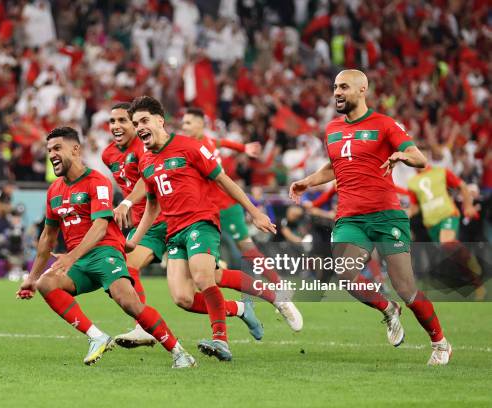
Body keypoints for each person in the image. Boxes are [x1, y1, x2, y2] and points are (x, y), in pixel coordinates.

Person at [289, 70, 452, 365]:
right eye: (335, 86)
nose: (337, 92)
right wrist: (308, 182)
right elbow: (333, 166)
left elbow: (420, 158)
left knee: (406, 288)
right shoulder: (332, 130)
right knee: (345, 273)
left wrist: (402, 156)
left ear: (362, 89)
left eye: (344, 87)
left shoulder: (385, 124)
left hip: (387, 216)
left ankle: (440, 343)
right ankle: (388, 309)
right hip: (350, 218)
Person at [16, 126, 196, 368]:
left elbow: (100, 226)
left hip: (104, 253)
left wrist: (70, 257)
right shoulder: (54, 190)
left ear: (76, 149)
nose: (52, 154)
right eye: (49, 150)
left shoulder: (97, 182)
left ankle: (180, 353)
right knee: (46, 283)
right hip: (79, 263)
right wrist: (32, 276)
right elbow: (48, 236)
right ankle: (97, 337)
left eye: (57, 148)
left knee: (130, 304)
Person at [126, 96, 276, 361]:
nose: (139, 127)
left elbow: (223, 179)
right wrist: (134, 241)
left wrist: (253, 212)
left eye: (144, 120)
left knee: (203, 277)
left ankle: (221, 341)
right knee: (183, 299)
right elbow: (152, 207)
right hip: (174, 233)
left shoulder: (190, 147)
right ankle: (240, 308)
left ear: (160, 120)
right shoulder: (146, 162)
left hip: (201, 222)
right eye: (136, 123)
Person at [181, 107, 303, 329]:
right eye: (184, 123)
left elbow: (219, 149)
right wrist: (243, 147)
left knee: (247, 249)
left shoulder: (203, 145)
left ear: (200, 124)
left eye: (189, 123)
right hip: (209, 210)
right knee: (218, 263)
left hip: (226, 207)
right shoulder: (203, 142)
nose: (184, 127)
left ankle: (279, 285)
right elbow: (223, 143)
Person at [405, 165, 486, 300]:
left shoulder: (441, 172)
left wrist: (468, 206)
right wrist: (402, 214)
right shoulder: (412, 182)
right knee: (454, 256)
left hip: (448, 215)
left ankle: (473, 265)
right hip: (431, 225)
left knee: (447, 242)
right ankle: (477, 283)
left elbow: (463, 186)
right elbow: (415, 207)